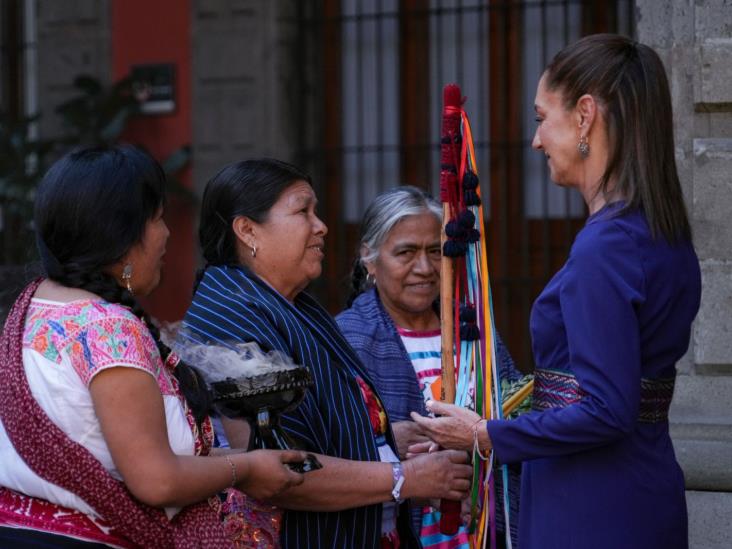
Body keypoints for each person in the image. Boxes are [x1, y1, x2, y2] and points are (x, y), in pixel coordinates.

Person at [410, 34, 701, 549]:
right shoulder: (659, 231)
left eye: (542, 117)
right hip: (638, 489)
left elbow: (608, 408)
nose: (536, 140)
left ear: (585, 115)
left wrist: (485, 436)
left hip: (591, 505)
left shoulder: (606, 244)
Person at [0, 146, 306, 548]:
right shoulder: (108, 328)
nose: (166, 234)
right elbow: (157, 481)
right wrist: (246, 469)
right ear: (123, 236)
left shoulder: (33, 306)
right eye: (159, 219)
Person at [178, 159, 473, 549]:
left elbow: (318, 432)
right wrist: (405, 477)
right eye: (303, 211)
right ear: (248, 230)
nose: (321, 226)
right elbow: (276, 468)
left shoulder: (290, 305)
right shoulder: (230, 313)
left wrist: (382, 441)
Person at [336, 186, 528, 548]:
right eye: (406, 252)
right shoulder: (347, 339)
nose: (424, 268)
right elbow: (329, 448)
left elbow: (516, 410)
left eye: (436, 252)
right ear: (370, 258)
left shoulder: (473, 333)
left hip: (483, 531)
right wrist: (393, 441)